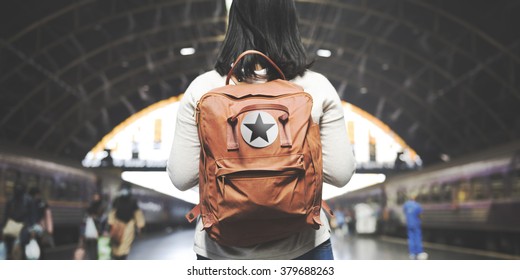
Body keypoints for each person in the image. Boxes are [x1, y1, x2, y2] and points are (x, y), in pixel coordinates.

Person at [167, 0, 356, 260]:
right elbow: (340, 173)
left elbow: (181, 177)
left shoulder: (204, 88)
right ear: (289, 23)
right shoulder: (315, 86)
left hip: (220, 251)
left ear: (234, 23)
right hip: (303, 247)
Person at [108, 183, 145, 260]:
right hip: (117, 225)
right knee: (116, 243)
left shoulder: (133, 201)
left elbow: (138, 214)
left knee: (125, 244)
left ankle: (122, 256)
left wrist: (140, 226)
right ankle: (117, 256)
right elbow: (112, 213)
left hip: (129, 226)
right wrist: (111, 224)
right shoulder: (116, 200)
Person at [1, 183, 37, 260]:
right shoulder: (28, 200)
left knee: (16, 249)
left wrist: (32, 228)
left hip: (21, 228)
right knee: (14, 249)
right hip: (16, 227)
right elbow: (32, 216)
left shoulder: (12, 200)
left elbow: (6, 216)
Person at [28, 186, 54, 259]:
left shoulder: (29, 203)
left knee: (30, 248)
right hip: (41, 229)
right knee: (40, 248)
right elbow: (48, 218)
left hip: (30, 229)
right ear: (38, 194)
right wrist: (49, 231)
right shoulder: (44, 204)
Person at [79, 192, 106, 260]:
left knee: (97, 247)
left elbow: (103, 218)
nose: (95, 198)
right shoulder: (91, 206)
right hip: (90, 229)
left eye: (97, 197)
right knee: (90, 247)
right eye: (94, 196)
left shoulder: (102, 206)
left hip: (98, 230)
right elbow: (85, 218)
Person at [403, 195, 428, 260]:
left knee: (411, 238)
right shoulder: (417, 205)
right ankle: (419, 252)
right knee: (417, 238)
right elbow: (420, 215)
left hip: (409, 224)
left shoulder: (406, 205)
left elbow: (405, 212)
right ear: (415, 199)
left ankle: (412, 253)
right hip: (416, 224)